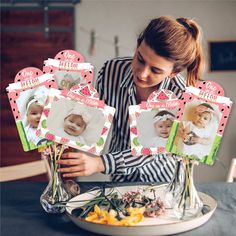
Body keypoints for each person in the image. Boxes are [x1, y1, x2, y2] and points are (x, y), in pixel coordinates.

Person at [57, 16, 205, 182]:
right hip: (119, 180)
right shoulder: (111, 71)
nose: (142, 73)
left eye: (155, 70)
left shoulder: (181, 95)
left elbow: (153, 149)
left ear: (173, 73)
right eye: (140, 59)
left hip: (163, 182)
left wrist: (101, 163)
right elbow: (95, 116)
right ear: (137, 46)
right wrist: (56, 130)